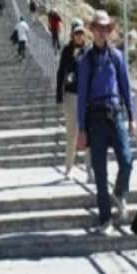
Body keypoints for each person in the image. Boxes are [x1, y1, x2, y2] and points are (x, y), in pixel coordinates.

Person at [76, 10, 136, 234]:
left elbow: (126, 88)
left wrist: (132, 117)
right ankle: (105, 219)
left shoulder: (117, 56)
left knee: (127, 160)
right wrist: (81, 129)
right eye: (98, 28)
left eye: (106, 28)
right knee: (100, 171)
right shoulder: (86, 61)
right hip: (95, 119)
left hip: (116, 113)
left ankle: (119, 192)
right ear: (92, 30)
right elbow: (81, 97)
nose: (102, 32)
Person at [56, 18, 87, 179]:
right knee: (72, 133)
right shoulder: (67, 51)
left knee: (88, 131)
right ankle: (69, 167)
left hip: (86, 96)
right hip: (70, 95)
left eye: (81, 33)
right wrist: (58, 96)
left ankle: (90, 169)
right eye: (76, 33)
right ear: (72, 34)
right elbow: (60, 72)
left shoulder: (88, 51)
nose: (79, 36)